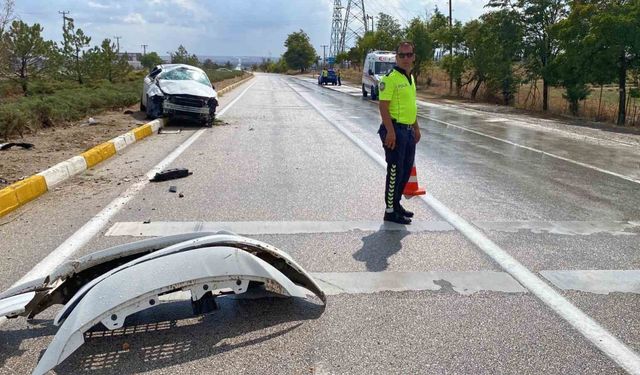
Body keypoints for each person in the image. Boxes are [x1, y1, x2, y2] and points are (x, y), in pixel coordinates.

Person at [377, 41, 421, 225]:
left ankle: (396, 205)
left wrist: (416, 128)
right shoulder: (390, 78)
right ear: (396, 57)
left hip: (408, 131)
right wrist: (390, 131)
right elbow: (383, 106)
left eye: (409, 55)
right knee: (394, 171)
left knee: (404, 171)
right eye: (402, 55)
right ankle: (390, 211)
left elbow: (412, 106)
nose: (405, 58)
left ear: (413, 57)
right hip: (395, 131)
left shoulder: (409, 78)